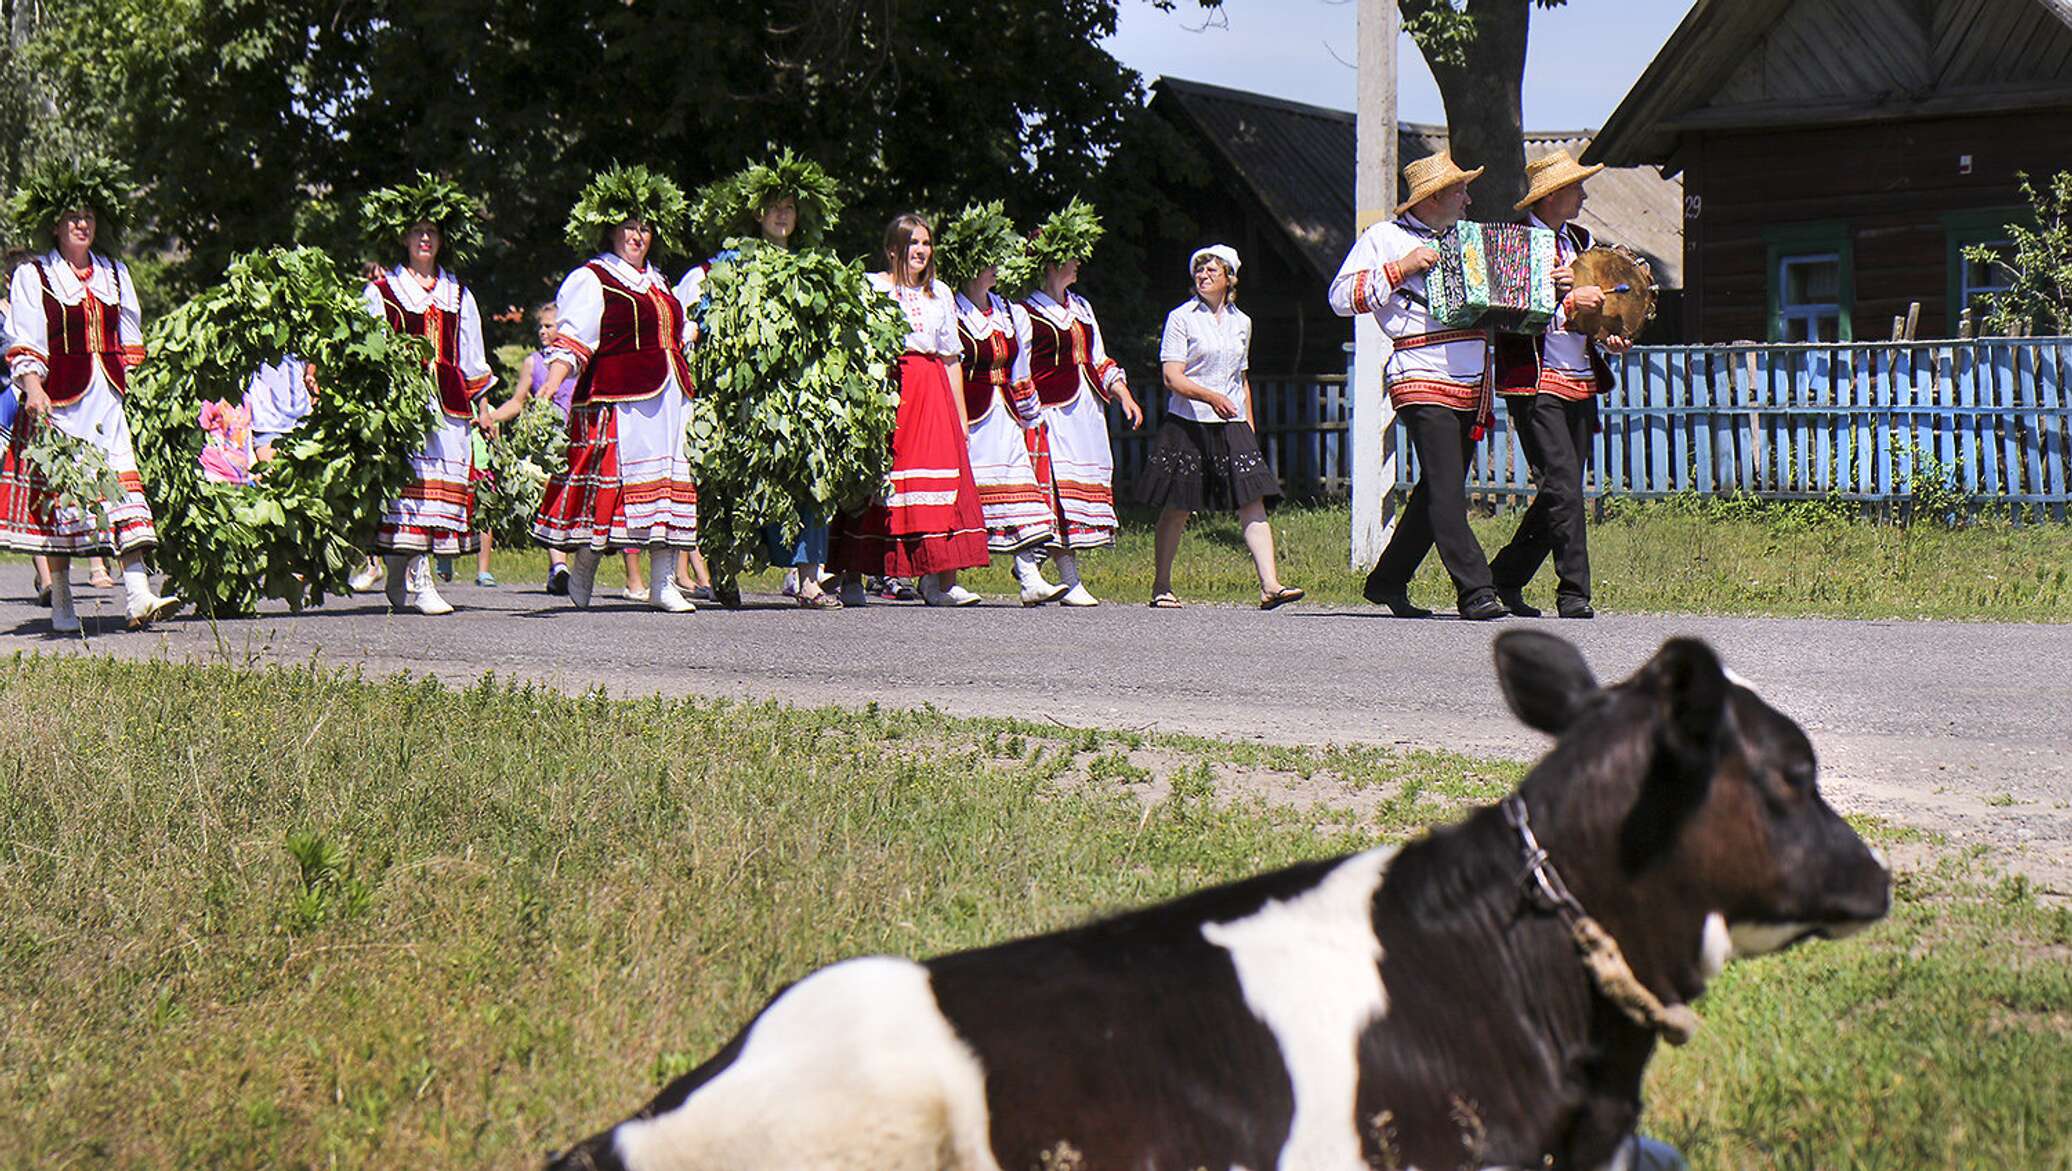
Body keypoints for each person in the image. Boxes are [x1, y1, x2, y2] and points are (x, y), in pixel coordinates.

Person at [494, 165, 700, 613]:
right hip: (619, 398)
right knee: (612, 493)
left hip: (668, 396)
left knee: (669, 484)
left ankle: (665, 583)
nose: (637, 236)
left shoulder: (660, 281)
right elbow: (574, 342)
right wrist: (547, 390)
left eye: (644, 228)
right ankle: (585, 562)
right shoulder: (594, 277)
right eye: (629, 227)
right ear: (610, 230)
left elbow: (677, 331)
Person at [0, 157, 182, 632]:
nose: (82, 224)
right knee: (64, 501)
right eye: (72, 217)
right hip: (59, 401)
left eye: (88, 217)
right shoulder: (35, 276)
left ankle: (138, 593)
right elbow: (26, 339)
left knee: (124, 488)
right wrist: (34, 389)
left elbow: (130, 336)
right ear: (55, 225)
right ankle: (62, 601)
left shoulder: (114, 272)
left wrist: (142, 386)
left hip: (107, 400)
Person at [1328, 151, 1506, 621]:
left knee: (1436, 490)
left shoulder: (1469, 241)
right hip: (1419, 370)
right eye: (1460, 190)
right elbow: (1340, 298)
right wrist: (1402, 267)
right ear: (1432, 198)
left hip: (1471, 376)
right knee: (1448, 491)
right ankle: (1476, 590)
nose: (1469, 199)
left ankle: (1387, 580)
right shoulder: (1385, 238)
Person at [680, 154, 844, 609]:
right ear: (758, 213)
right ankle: (727, 571)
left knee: (809, 477)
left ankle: (809, 580)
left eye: (789, 206)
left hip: (800, 389)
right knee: (738, 476)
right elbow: (707, 320)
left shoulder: (813, 264)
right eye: (773, 206)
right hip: (744, 389)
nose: (782, 214)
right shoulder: (731, 263)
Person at [1488, 149, 1632, 621]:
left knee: (1560, 491)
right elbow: (1505, 317)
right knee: (1564, 488)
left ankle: (1504, 578)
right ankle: (1574, 594)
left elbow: (1598, 308)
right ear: (1550, 196)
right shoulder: (1513, 243)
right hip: (1534, 380)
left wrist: (1608, 329)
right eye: (1575, 187)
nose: (1584, 194)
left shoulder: (1582, 241)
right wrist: (1564, 300)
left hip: (1579, 379)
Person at [828, 213, 989, 606]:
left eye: (926, 243)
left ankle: (939, 582)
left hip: (932, 388)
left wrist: (961, 415)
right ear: (893, 249)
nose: (921, 251)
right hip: (890, 387)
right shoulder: (872, 287)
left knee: (943, 481)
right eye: (913, 243)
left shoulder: (941, 294)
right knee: (877, 479)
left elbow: (951, 358)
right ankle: (853, 575)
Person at [358, 174, 498, 616]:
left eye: (432, 232)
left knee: (441, 493)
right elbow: (370, 351)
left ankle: (405, 573)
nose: (424, 238)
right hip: (407, 405)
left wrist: (485, 407)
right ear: (403, 237)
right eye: (417, 230)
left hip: (451, 403)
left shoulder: (458, 294)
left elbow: (472, 354)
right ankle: (419, 583)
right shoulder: (382, 293)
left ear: (441, 241)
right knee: (412, 492)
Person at [1138, 245, 1302, 611]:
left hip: (1231, 421)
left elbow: (1242, 378)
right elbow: (1171, 377)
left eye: (1212, 270)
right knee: (1179, 505)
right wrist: (1209, 396)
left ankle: (1270, 585)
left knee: (1252, 499)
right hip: (1189, 421)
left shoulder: (1241, 321)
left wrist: (1249, 427)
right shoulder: (1181, 318)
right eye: (1199, 271)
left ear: (1229, 277)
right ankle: (1161, 585)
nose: (1204, 276)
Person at [1012, 198, 1144, 606]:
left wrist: (1123, 393)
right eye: (1071, 257)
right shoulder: (1025, 311)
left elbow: (1098, 358)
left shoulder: (1081, 308)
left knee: (1067, 496)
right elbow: (1019, 366)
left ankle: (1069, 578)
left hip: (1083, 412)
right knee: (1043, 492)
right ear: (1051, 263)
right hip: (1048, 412)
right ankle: (1027, 568)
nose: (1078, 264)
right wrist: (1029, 412)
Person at [939, 202, 1069, 606]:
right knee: (963, 493)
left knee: (1024, 491)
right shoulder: (951, 311)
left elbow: (1020, 368)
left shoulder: (1008, 312)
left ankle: (1029, 576)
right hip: (970, 415)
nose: (996, 268)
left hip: (1005, 415)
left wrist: (1031, 413)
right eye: (988, 261)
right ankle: (941, 580)